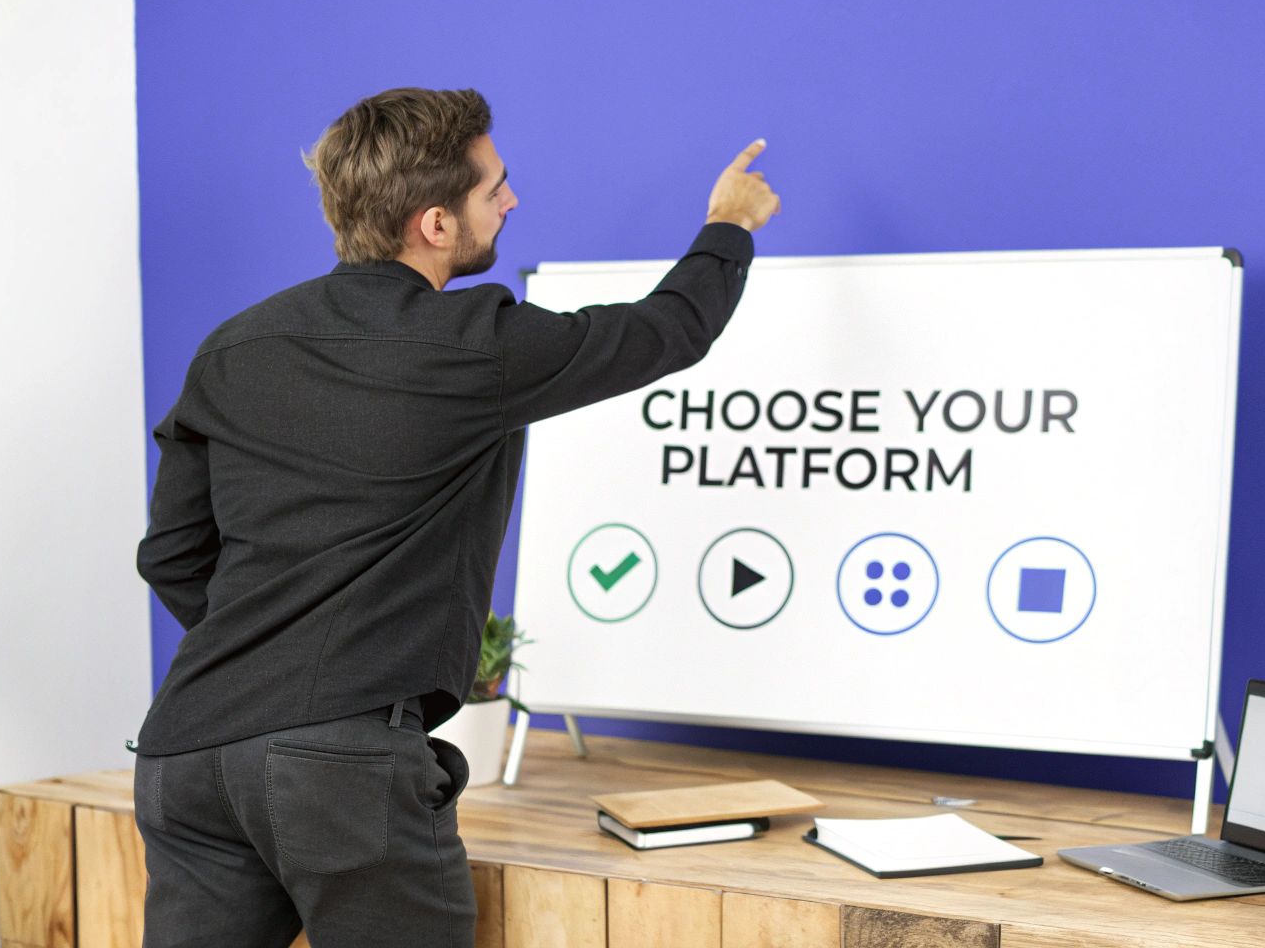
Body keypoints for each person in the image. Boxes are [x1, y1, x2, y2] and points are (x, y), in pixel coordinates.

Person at [129, 86, 780, 947]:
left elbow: (172, 554)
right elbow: (667, 331)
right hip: (338, 771)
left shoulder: (234, 345)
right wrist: (728, 226)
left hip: (186, 757)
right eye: (493, 189)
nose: (511, 201)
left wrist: (270, 650)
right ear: (434, 225)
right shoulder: (475, 343)